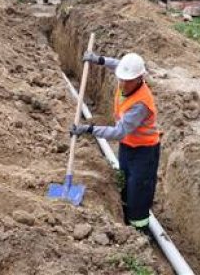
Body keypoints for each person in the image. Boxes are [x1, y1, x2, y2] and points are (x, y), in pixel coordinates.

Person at [69, 52, 161, 234]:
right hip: (128, 146)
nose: (123, 84)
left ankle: (140, 232)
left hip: (144, 152)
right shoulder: (127, 77)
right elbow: (117, 65)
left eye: (128, 80)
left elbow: (118, 132)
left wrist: (89, 129)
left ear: (139, 78)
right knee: (125, 184)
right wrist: (98, 60)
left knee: (138, 193)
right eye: (121, 79)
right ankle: (125, 217)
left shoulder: (140, 104)